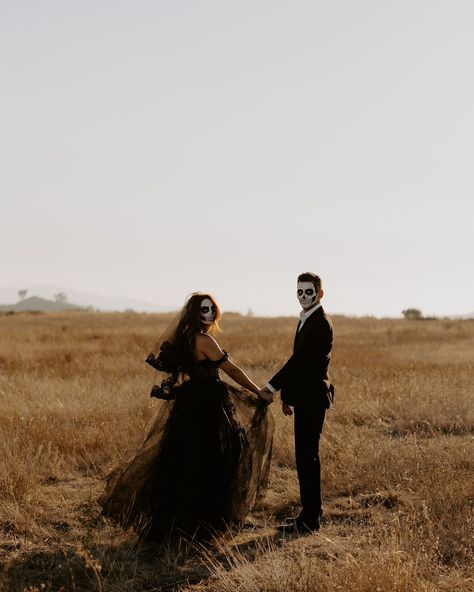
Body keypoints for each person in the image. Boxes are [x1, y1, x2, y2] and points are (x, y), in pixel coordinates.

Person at [99, 293, 274, 541]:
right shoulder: (204, 340)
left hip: (189, 401)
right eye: (204, 309)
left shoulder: (183, 338)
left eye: (212, 308)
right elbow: (231, 369)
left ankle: (186, 524)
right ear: (194, 312)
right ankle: (204, 524)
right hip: (208, 402)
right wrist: (258, 391)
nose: (210, 313)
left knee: (186, 461)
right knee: (214, 459)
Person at [261, 272, 334, 533]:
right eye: (300, 292)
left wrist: (271, 387)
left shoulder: (321, 324)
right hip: (304, 397)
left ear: (320, 294)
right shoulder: (306, 319)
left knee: (308, 457)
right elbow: (299, 364)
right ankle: (308, 513)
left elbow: (300, 363)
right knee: (303, 457)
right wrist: (287, 397)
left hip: (314, 398)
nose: (304, 297)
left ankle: (311, 517)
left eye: (309, 292)